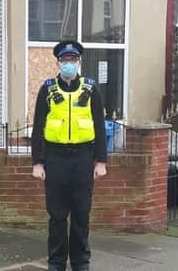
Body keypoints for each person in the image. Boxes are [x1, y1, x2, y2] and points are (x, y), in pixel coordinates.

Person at [31, 39, 108, 271]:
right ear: (58, 63)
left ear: (79, 62)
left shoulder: (91, 89)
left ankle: (80, 263)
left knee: (81, 215)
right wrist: (38, 162)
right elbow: (38, 128)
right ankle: (56, 263)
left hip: (82, 159)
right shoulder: (47, 89)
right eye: (65, 60)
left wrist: (101, 160)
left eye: (73, 60)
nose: (69, 64)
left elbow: (100, 125)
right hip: (55, 159)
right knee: (56, 216)